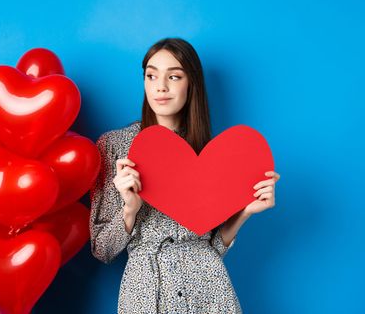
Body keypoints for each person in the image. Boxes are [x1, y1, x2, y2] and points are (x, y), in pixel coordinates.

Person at [89, 37, 280, 313]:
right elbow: (102, 249)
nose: (160, 86)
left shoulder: (212, 155)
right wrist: (129, 210)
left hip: (210, 292)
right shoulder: (115, 146)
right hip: (145, 293)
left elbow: (212, 246)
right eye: (151, 75)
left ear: (191, 83)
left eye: (174, 76)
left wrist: (245, 212)